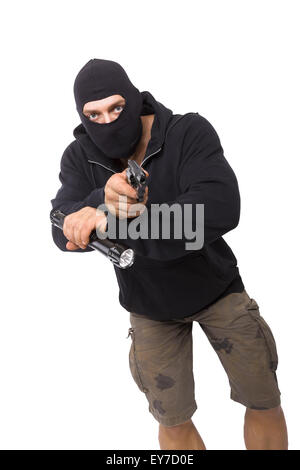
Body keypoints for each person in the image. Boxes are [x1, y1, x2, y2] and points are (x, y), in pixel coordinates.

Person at [50, 58, 288, 450]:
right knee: (171, 418)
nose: (106, 122)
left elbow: (218, 208)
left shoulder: (186, 132)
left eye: (116, 108)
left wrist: (111, 223)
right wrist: (98, 201)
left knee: (262, 398)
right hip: (149, 305)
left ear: (133, 97)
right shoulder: (79, 156)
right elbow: (61, 224)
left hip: (217, 290)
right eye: (93, 115)